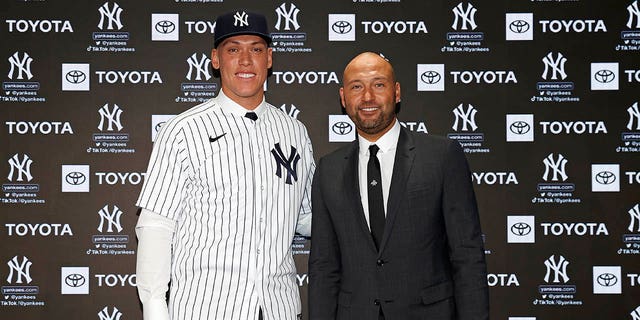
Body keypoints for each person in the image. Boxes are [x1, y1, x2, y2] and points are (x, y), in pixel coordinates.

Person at [135, 10, 314, 320]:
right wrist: (154, 308)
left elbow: (307, 217)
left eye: (256, 49)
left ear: (269, 58)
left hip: (278, 309)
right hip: (208, 308)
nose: (245, 60)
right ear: (215, 59)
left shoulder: (295, 132)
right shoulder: (183, 130)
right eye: (233, 49)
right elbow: (156, 227)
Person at [308, 52, 489, 320]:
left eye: (378, 84)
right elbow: (324, 267)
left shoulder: (441, 156)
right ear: (344, 98)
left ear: (397, 92)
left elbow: (467, 255)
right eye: (357, 86)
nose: (367, 96)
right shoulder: (328, 170)